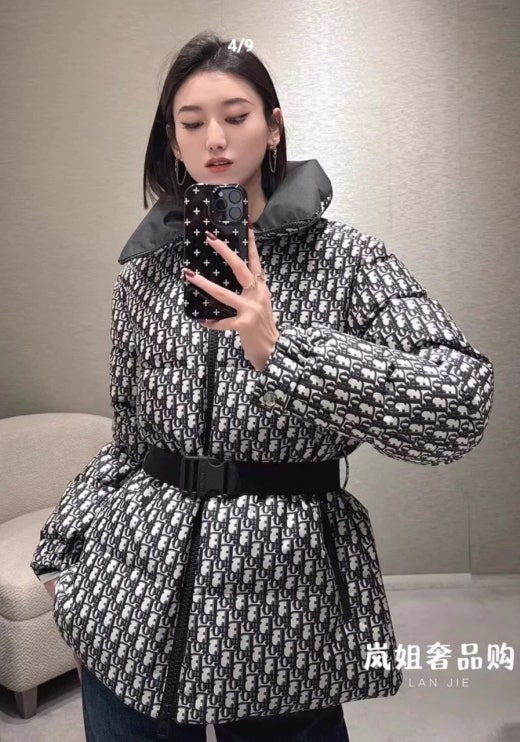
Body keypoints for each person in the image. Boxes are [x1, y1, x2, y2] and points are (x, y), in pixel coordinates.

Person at [30, 31, 494, 742]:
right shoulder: (145, 273)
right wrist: (69, 547)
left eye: (236, 116)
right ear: (173, 141)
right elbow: (128, 441)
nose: (215, 138)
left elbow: (459, 404)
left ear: (273, 127)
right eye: (191, 123)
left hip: (283, 597)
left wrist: (283, 353)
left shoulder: (343, 259)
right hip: (134, 588)